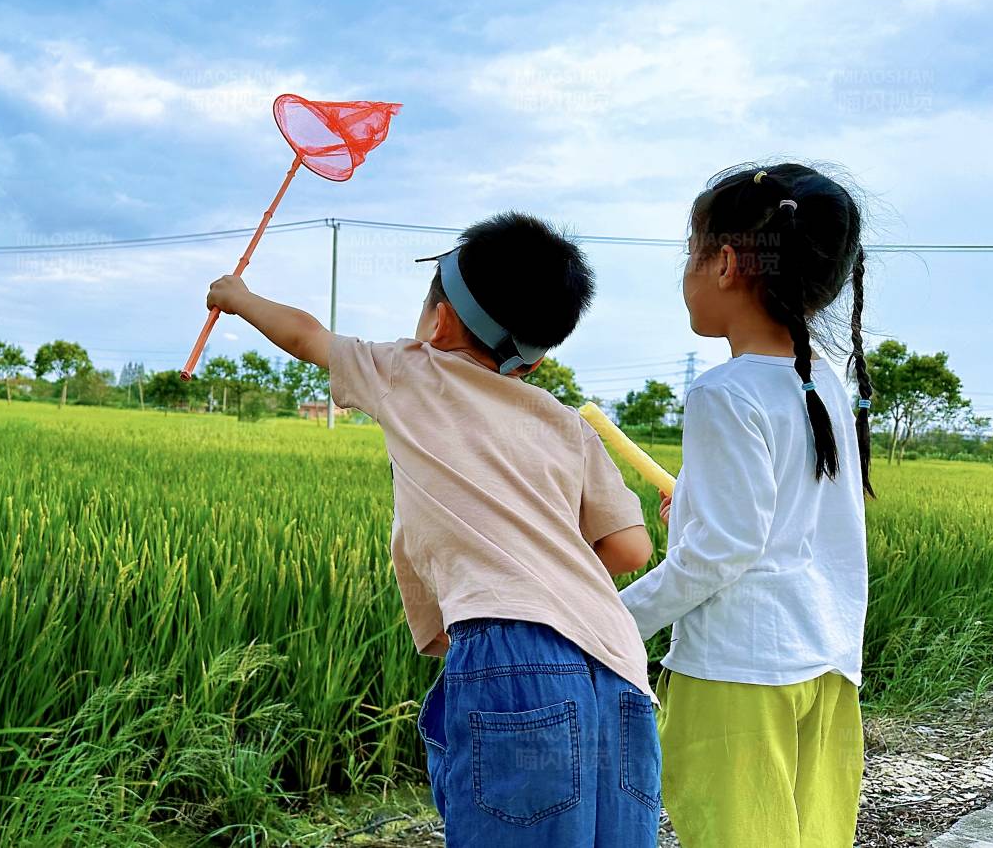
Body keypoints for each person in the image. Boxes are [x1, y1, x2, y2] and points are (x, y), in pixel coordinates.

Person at [205, 211, 660, 847]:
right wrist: (543, 560)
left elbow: (308, 337)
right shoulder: (565, 422)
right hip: (618, 667)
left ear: (439, 321)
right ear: (535, 354)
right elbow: (630, 548)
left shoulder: (409, 371)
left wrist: (239, 298)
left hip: (513, 657)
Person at [620, 163, 871, 847]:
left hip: (738, 673)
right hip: (824, 663)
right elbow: (791, 518)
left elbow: (726, 549)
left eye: (691, 251)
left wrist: (614, 620)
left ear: (726, 264)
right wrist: (700, 509)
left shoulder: (723, 391)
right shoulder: (827, 381)